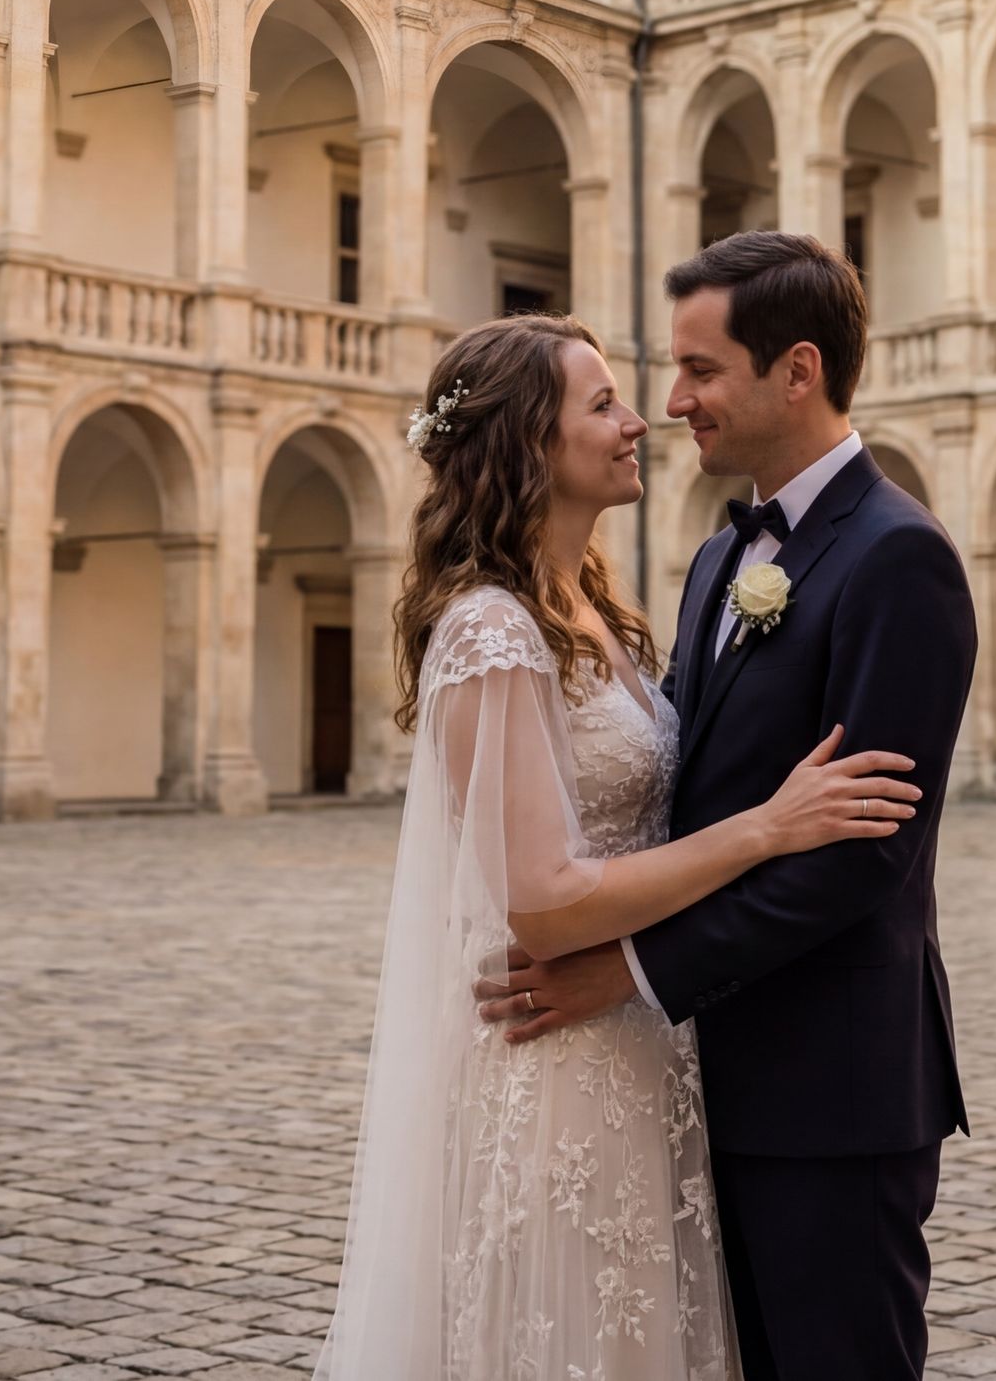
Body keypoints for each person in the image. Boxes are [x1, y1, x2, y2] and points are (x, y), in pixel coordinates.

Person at [314, 309, 925, 1381]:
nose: (643, 418)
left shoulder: (596, 604)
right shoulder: (489, 628)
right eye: (602, 404)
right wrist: (768, 827)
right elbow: (540, 900)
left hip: (649, 1049)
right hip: (563, 1064)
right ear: (527, 446)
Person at [476, 232, 979, 1381]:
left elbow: (859, 860)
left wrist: (629, 971)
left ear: (795, 371)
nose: (674, 400)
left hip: (831, 1092)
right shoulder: (716, 560)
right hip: (690, 1083)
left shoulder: (901, 558)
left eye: (701, 370)